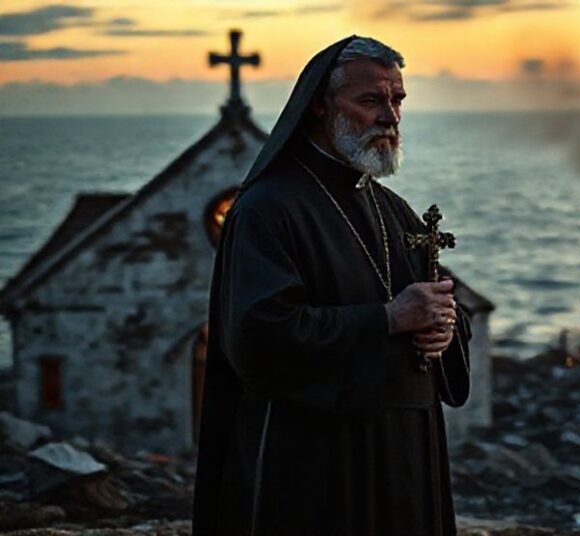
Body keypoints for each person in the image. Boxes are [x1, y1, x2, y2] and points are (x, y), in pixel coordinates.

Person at [192, 35, 471, 536]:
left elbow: (440, 303)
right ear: (320, 106)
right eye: (370, 100)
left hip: (407, 456)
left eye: (397, 100)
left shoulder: (394, 210)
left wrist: (445, 327)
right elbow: (259, 334)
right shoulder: (267, 210)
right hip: (316, 463)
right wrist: (388, 319)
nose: (390, 116)